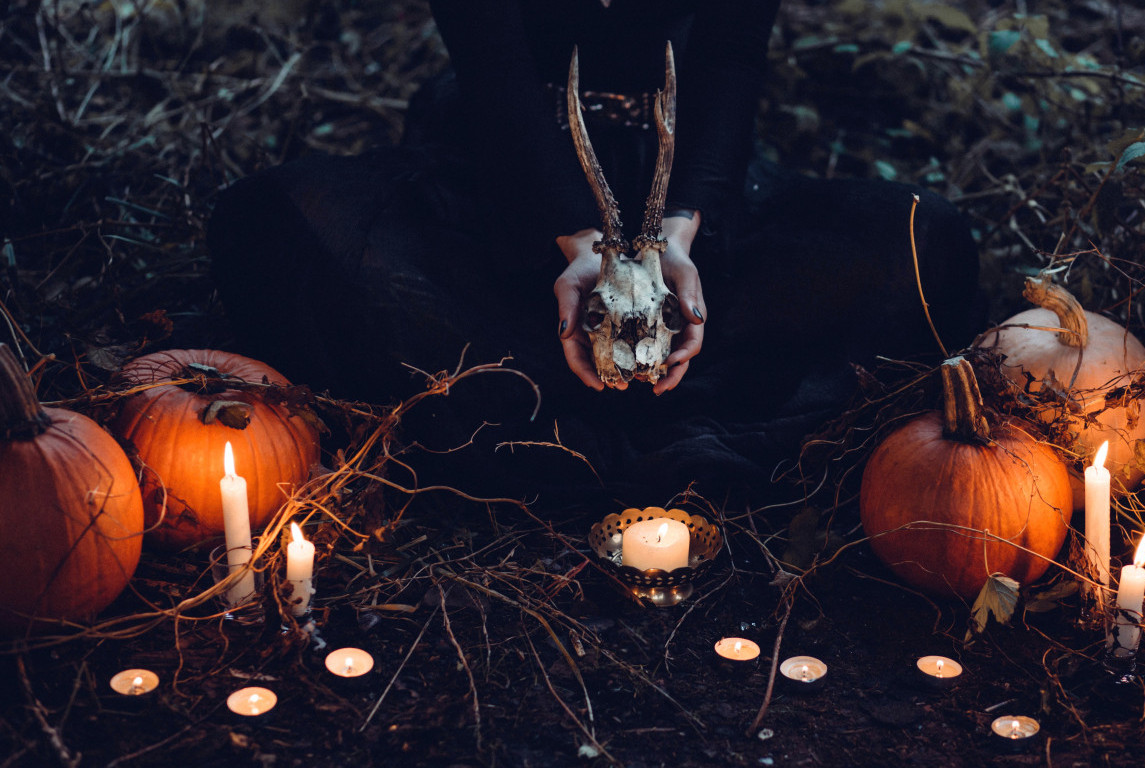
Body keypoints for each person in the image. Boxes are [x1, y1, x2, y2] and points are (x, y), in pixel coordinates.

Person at [207, 0, 983, 505]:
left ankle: (566, 403)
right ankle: (607, 409)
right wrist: (576, 240)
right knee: (277, 222)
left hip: (690, 183)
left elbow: (731, 56)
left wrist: (683, 230)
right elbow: (491, 64)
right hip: (507, 179)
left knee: (924, 244)